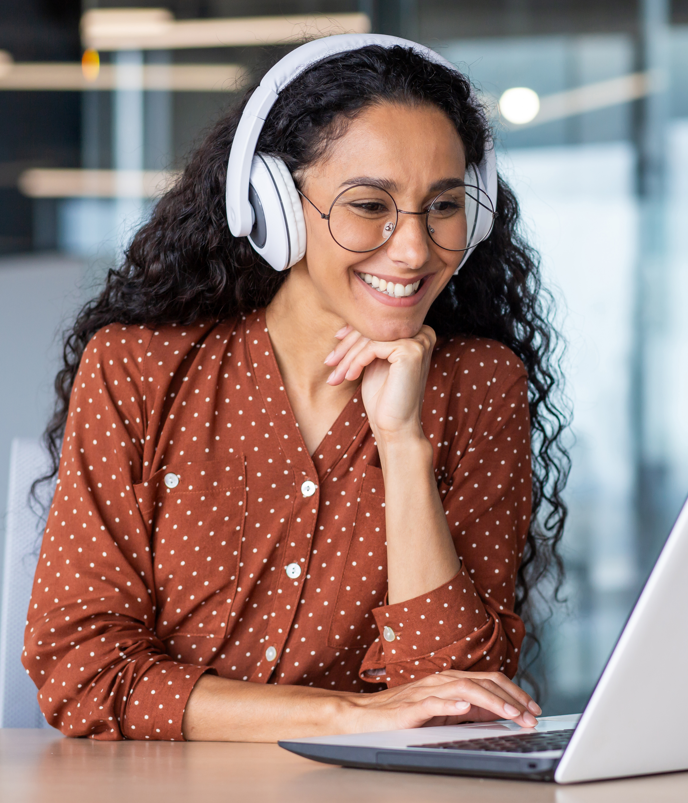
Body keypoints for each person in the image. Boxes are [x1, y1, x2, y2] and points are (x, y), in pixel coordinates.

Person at [22, 36, 569, 742]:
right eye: (369, 205)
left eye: (442, 206)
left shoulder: (479, 384)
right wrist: (341, 714)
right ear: (273, 206)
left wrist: (403, 448)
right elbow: (82, 669)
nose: (413, 249)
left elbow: (457, 695)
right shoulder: (138, 369)